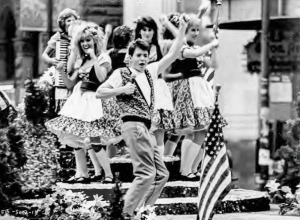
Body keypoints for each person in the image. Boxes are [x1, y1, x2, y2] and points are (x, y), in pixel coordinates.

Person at [96, 15, 188, 219]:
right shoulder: (122, 73)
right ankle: (125, 214)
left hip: (145, 128)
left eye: (145, 55)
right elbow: (100, 92)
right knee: (146, 173)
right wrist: (121, 90)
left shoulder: (151, 71)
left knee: (162, 174)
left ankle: (142, 210)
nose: (143, 59)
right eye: (139, 55)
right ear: (130, 56)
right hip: (132, 125)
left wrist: (180, 30)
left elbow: (173, 54)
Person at [46, 23, 114, 183]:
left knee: (95, 141)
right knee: (76, 139)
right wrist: (61, 71)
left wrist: (94, 58)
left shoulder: (103, 58)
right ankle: (82, 174)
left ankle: (109, 174)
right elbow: (70, 84)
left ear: (95, 41)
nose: (85, 44)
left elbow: (101, 77)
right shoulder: (81, 61)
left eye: (88, 40)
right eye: (82, 41)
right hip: (78, 101)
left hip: (94, 102)